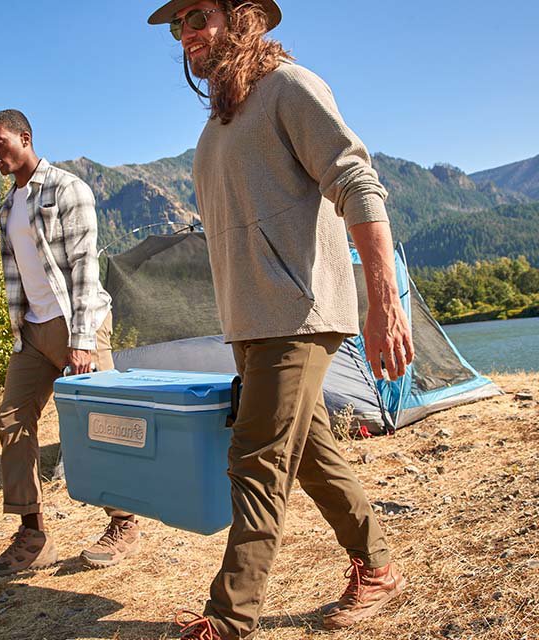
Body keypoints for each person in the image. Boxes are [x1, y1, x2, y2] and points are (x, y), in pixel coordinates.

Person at [147, 1, 413, 637]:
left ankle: (229, 617)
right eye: (179, 24)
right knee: (312, 453)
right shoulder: (215, 131)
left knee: (257, 457)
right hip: (250, 320)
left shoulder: (290, 87)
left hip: (299, 312)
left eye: (200, 15)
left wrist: (384, 300)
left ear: (244, 18)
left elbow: (357, 181)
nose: (188, 33)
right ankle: (376, 568)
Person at [0, 109, 140, 576]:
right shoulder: (9, 206)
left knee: (100, 423)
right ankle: (32, 534)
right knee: (12, 417)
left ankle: (124, 522)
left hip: (78, 324)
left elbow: (86, 268)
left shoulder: (67, 189)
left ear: (24, 138)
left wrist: (83, 341)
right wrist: (22, 328)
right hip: (32, 330)